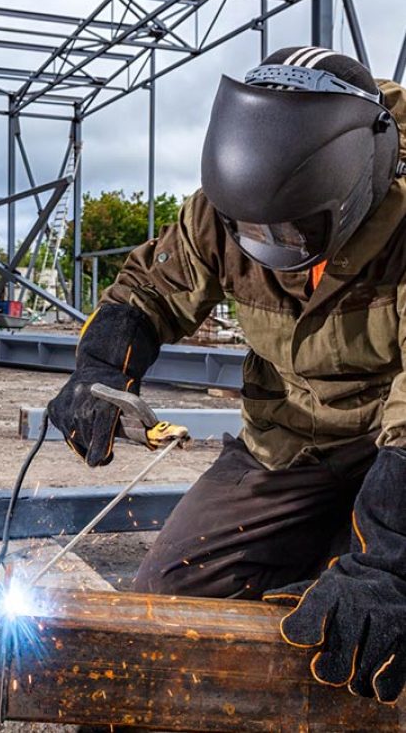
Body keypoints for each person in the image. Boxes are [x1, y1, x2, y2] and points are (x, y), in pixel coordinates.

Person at [49, 47, 406, 706]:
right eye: (253, 228)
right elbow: (146, 292)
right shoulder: (228, 208)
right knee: (168, 597)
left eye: (294, 232)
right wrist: (101, 369)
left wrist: (386, 563)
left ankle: (343, 551)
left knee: (376, 624)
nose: (272, 245)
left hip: (394, 447)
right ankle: (320, 546)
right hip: (288, 441)